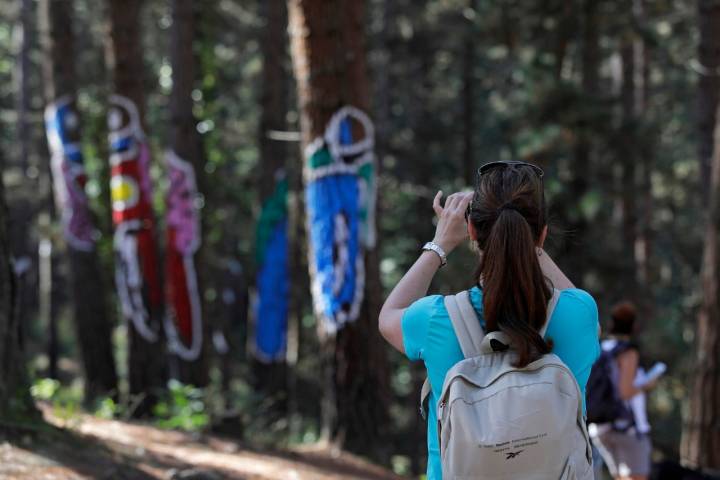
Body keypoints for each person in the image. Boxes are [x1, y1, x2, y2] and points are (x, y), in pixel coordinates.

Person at [378, 161, 601, 479]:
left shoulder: (436, 319)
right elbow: (589, 321)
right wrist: (530, 243)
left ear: (471, 231)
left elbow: (387, 316)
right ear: (542, 234)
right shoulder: (578, 314)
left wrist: (439, 245)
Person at [590, 301, 657, 480]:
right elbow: (625, 392)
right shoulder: (628, 352)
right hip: (626, 428)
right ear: (634, 326)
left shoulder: (601, 348)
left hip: (599, 427)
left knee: (619, 477)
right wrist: (646, 385)